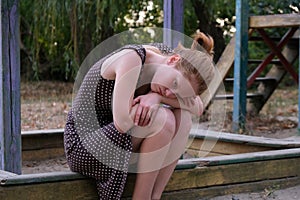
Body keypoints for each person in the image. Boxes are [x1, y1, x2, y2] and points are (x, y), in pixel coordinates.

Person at [64, 31, 215, 200]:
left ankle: (155, 196)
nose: (169, 92)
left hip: (123, 144)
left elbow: (198, 107)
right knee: (162, 120)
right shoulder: (132, 59)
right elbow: (122, 122)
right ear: (173, 60)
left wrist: (156, 97)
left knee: (184, 118)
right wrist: (159, 102)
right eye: (174, 83)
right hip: (85, 147)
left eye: (178, 95)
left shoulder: (166, 62)